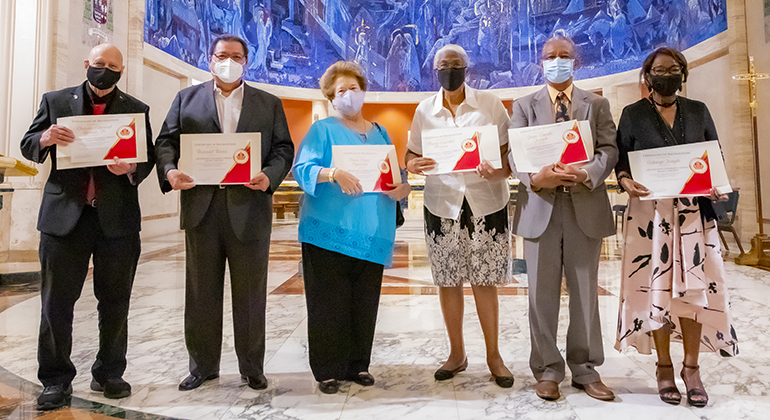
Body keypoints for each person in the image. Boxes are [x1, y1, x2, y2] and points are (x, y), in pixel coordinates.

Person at [154, 34, 294, 392]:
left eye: (235, 56)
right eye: (221, 55)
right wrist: (170, 171)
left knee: (250, 295)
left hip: (249, 208)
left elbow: (282, 148)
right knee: (200, 293)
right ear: (210, 58)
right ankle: (202, 366)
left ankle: (252, 367)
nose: (227, 61)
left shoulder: (269, 102)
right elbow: (165, 142)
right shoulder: (186, 98)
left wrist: (270, 176)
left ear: (246, 61)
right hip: (202, 209)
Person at [20, 43, 154, 410]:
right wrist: (46, 138)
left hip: (117, 221)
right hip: (65, 219)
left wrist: (130, 169)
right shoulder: (56, 101)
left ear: (121, 71)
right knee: (56, 304)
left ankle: (109, 371)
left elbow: (148, 158)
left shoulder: (136, 109)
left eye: (113, 65)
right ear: (87, 65)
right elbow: (28, 143)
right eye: (99, 63)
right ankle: (55, 379)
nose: (105, 69)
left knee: (115, 302)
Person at [614, 47, 738, 407]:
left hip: (693, 216)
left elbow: (714, 156)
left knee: (694, 292)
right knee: (658, 291)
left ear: (683, 74)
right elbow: (622, 162)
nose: (665, 74)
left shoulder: (698, 110)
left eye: (672, 69)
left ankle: (692, 368)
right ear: (647, 74)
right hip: (650, 219)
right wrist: (625, 182)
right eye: (658, 69)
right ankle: (664, 366)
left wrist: (716, 181)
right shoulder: (632, 114)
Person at [509, 34, 618, 401]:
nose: (557, 60)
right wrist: (534, 177)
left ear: (576, 60)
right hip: (540, 206)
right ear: (541, 62)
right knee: (540, 295)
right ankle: (547, 370)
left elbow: (608, 149)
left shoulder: (597, 103)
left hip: (583, 205)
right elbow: (515, 152)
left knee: (585, 293)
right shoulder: (524, 105)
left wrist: (586, 173)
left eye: (564, 56)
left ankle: (585, 369)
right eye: (550, 56)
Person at [292, 61, 411, 394]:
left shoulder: (380, 132)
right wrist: (333, 173)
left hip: (373, 231)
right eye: (341, 90)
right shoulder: (322, 130)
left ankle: (358, 364)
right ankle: (328, 369)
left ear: (364, 91)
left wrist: (402, 189)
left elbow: (396, 177)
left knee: (364, 301)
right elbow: (303, 168)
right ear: (331, 96)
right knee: (328, 303)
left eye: (353, 88)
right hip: (328, 231)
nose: (348, 95)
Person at [405, 44, 514, 388]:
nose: (449, 69)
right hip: (442, 204)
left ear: (467, 68)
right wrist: (412, 164)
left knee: (485, 280)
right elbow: (411, 153)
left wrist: (499, 171)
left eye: (456, 64)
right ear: (433, 70)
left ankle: (494, 356)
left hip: (487, 202)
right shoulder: (425, 110)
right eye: (443, 64)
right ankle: (457, 354)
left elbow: (512, 152)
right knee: (448, 281)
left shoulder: (490, 105)